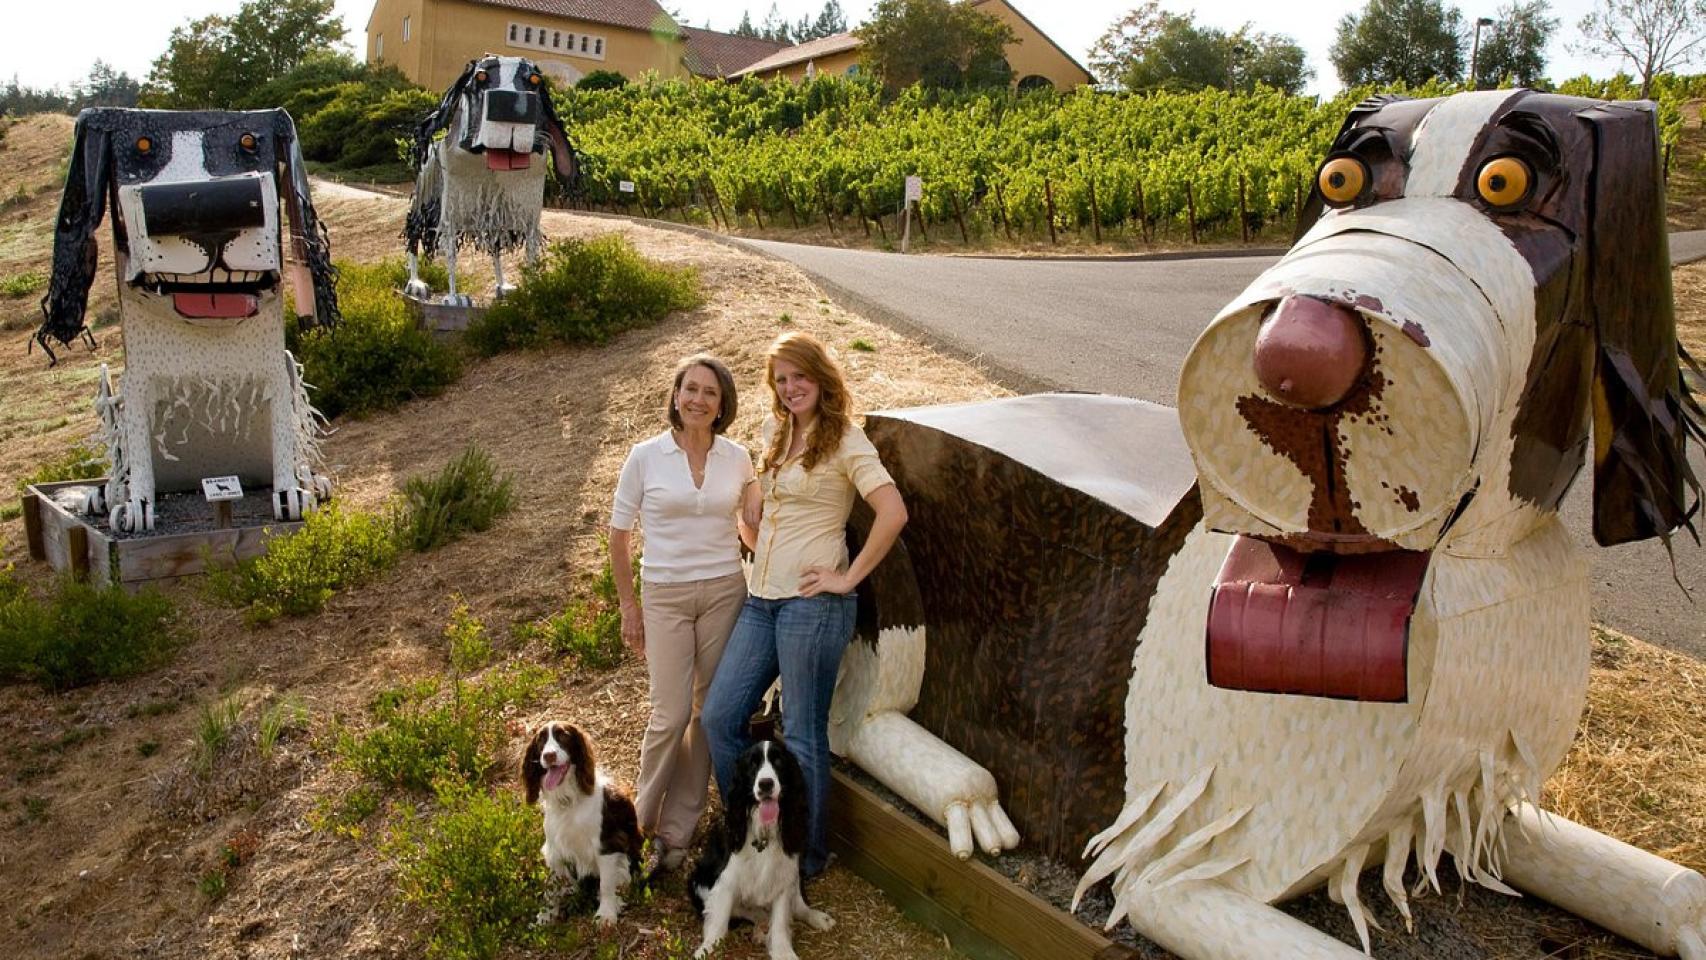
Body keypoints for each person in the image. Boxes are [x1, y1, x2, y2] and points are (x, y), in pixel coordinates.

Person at [701, 331, 908, 880]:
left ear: (821, 378)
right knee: (720, 717)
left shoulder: (846, 439)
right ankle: (749, 834)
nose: (791, 388)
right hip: (761, 599)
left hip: (813, 607)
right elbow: (762, 523)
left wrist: (848, 578)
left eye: (800, 377)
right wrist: (751, 522)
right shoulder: (774, 433)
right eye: (782, 379)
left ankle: (805, 858)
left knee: (800, 731)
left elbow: (892, 512)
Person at [609, 354, 757, 873]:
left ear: (722, 405)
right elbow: (618, 536)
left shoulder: (738, 459)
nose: (698, 399)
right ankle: (634, 826)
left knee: (705, 713)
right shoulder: (645, 456)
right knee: (668, 714)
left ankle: (677, 834)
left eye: (709, 392)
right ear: (675, 396)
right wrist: (629, 604)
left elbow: (750, 526)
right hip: (665, 592)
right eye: (689, 388)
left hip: (724, 591)